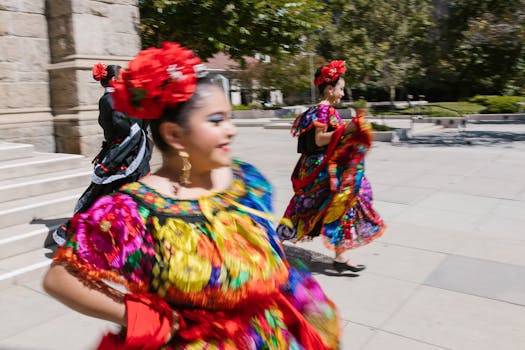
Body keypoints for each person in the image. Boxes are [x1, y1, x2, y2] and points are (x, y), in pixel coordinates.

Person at [43, 42, 340, 349]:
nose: (230, 130)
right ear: (174, 135)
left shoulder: (247, 180)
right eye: (215, 120)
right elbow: (60, 278)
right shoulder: (132, 210)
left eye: (228, 117)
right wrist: (138, 317)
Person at [276, 60, 385, 273]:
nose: (342, 94)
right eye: (340, 89)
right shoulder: (323, 110)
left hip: (327, 167)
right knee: (310, 208)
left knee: (340, 205)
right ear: (329, 88)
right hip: (321, 169)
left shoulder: (324, 110)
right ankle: (275, 242)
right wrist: (346, 130)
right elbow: (319, 140)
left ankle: (340, 256)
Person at [52, 63, 152, 246]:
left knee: (128, 195)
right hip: (122, 155)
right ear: (114, 81)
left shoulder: (116, 99)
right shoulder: (109, 100)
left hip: (129, 153)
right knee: (110, 197)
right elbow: (123, 128)